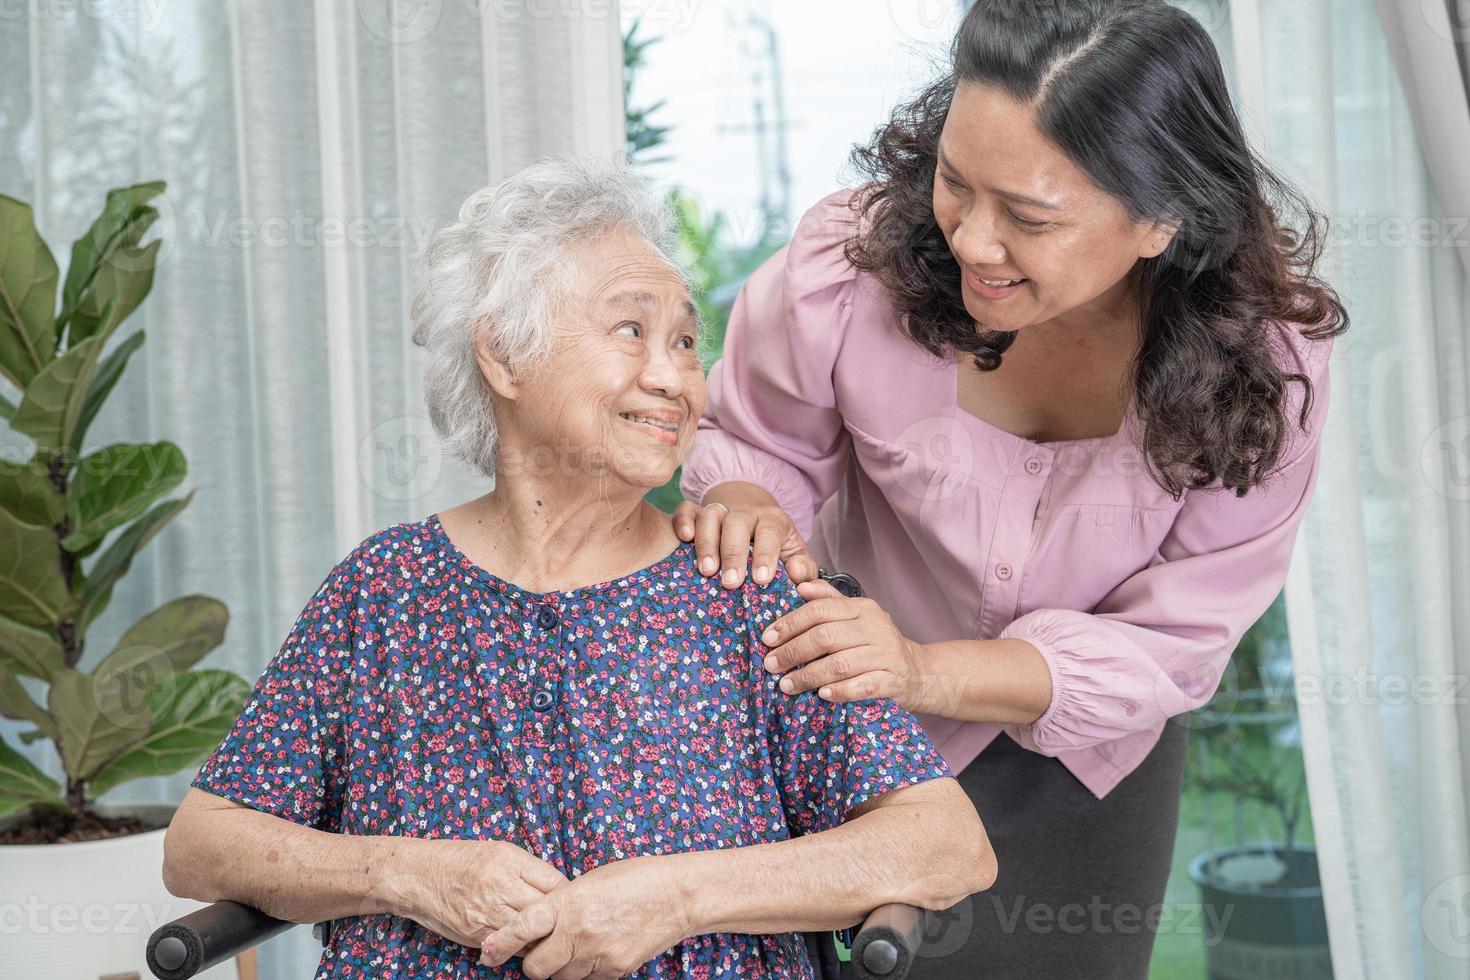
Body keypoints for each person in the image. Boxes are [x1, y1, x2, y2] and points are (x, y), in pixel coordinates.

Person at [161, 155, 995, 980]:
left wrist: (678, 896)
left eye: (683, 340)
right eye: (631, 330)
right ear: (504, 357)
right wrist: (407, 874)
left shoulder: (740, 583)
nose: (674, 378)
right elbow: (202, 846)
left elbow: (944, 844)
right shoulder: (384, 589)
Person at [674, 1, 1348, 975]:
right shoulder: (853, 267)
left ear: (1160, 217)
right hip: (850, 712)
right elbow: (761, 439)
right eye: (956, 182)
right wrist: (746, 499)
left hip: (1085, 758)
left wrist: (923, 668)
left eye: (1029, 217)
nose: (972, 242)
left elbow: (1178, 635)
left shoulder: (1264, 366)